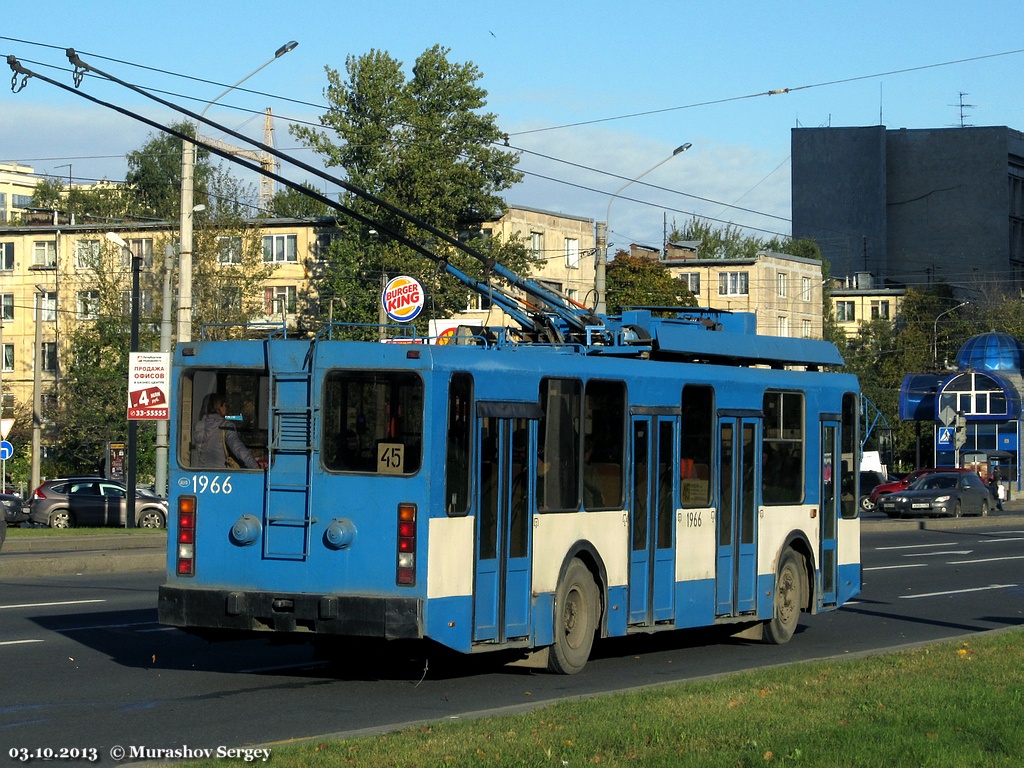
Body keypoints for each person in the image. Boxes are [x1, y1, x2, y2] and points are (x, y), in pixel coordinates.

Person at [192, 393, 262, 469]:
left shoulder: (197, 426)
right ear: (220, 407)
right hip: (222, 474)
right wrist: (255, 466)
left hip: (201, 473)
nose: (226, 408)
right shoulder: (225, 426)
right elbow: (238, 449)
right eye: (225, 405)